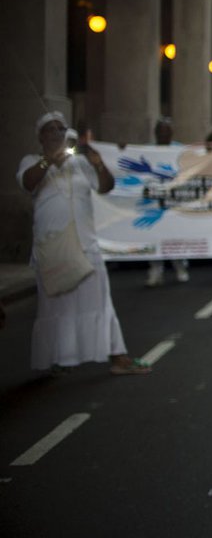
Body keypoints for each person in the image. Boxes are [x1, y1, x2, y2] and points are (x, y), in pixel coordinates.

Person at [16, 112, 151, 375]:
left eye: (61, 128)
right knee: (57, 306)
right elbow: (28, 182)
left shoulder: (79, 163)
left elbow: (105, 187)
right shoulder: (31, 161)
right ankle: (60, 358)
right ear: (41, 137)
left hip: (86, 245)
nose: (57, 133)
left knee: (100, 301)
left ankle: (118, 357)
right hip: (53, 249)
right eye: (51, 129)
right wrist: (49, 160)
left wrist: (98, 164)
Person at [146, 117, 190, 286]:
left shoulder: (179, 150)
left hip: (174, 202)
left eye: (167, 131)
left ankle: (180, 267)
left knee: (175, 236)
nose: (164, 134)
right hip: (155, 203)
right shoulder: (148, 150)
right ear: (156, 133)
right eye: (161, 131)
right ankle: (156, 270)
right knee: (155, 236)